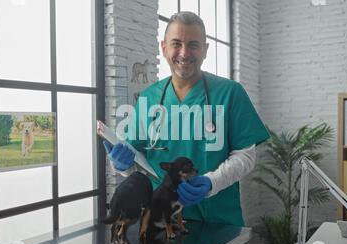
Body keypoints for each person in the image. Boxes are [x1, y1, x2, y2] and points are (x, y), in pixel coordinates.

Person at [103, 11, 269, 227]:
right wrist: (122, 166)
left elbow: (245, 156)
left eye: (193, 45)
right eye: (176, 44)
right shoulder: (148, 98)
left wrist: (211, 182)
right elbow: (139, 164)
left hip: (217, 221)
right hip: (160, 221)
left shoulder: (230, 93)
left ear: (205, 50)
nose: (184, 53)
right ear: (164, 48)